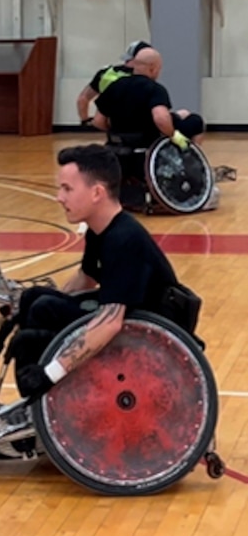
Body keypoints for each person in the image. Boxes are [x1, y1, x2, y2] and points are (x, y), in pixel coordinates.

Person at [11, 144, 200, 401]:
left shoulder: (123, 239)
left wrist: (49, 374)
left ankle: (39, 399)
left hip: (144, 338)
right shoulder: (99, 230)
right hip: (128, 321)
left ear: (97, 192)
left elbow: (110, 323)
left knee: (37, 323)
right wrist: (25, 313)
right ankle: (35, 403)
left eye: (67, 189)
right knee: (35, 300)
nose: (59, 197)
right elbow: (86, 278)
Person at [92, 47, 205, 149]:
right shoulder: (154, 89)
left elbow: (98, 121)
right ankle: (191, 160)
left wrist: (118, 131)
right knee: (195, 121)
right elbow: (161, 118)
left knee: (182, 114)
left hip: (119, 142)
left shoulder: (113, 86)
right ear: (153, 69)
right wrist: (173, 135)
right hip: (149, 140)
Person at [76, 40, 153, 126]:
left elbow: (82, 99)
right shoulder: (145, 77)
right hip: (138, 128)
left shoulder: (105, 73)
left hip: (108, 127)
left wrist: (85, 121)